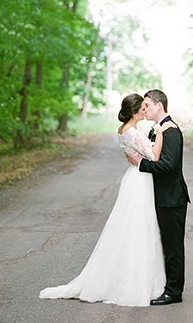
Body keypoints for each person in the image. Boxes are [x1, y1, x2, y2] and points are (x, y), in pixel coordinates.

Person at [39, 93, 175, 307]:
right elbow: (155, 157)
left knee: (136, 228)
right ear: (135, 111)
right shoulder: (131, 131)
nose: (145, 110)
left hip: (137, 178)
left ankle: (143, 279)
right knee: (138, 229)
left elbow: (143, 154)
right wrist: (161, 132)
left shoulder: (126, 130)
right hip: (139, 181)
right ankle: (136, 283)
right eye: (143, 107)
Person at [126, 89, 190, 306]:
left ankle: (174, 292)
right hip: (162, 197)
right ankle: (167, 286)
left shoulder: (170, 131)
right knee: (165, 243)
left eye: (147, 105)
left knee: (173, 246)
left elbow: (169, 165)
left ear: (159, 106)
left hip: (172, 198)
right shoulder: (159, 129)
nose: (145, 109)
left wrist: (140, 164)